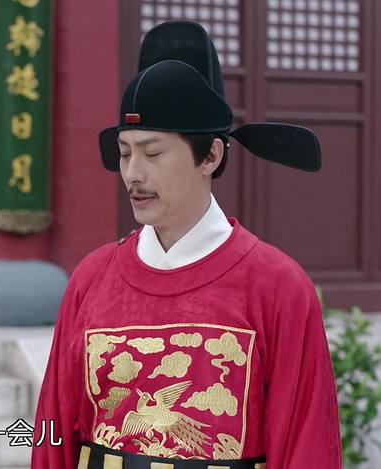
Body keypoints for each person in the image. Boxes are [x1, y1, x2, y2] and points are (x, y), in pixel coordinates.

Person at [31, 21, 341, 469]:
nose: (133, 173)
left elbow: (307, 443)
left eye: (152, 153)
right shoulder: (91, 278)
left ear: (210, 156)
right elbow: (54, 430)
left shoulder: (276, 285)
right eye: (125, 152)